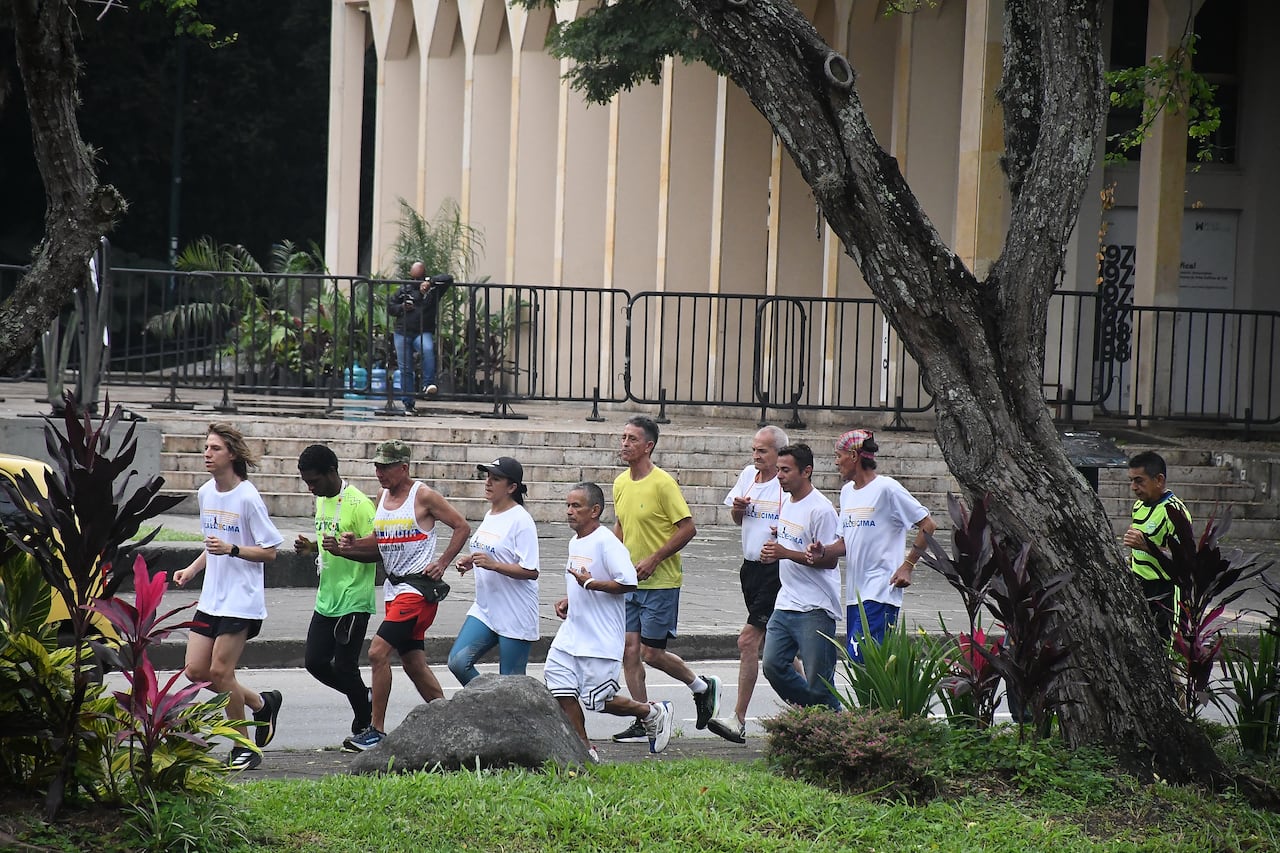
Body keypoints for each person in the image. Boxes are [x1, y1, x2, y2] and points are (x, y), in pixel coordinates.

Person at [330, 439, 471, 750]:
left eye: (386, 467)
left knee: (378, 652)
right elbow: (379, 544)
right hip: (394, 589)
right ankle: (450, 724)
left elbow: (461, 526)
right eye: (377, 466)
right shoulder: (381, 497)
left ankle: (376, 731)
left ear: (403, 467)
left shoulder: (424, 496)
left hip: (417, 590)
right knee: (413, 663)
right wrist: (350, 546)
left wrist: (443, 561)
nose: (379, 472)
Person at [174, 423, 285, 771]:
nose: (207, 454)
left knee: (221, 673)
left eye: (215, 448)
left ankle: (243, 746)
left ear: (232, 455)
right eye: (205, 448)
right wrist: (192, 570)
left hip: (242, 600)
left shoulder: (248, 497)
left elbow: (270, 553)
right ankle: (261, 704)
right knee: (195, 671)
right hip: (212, 598)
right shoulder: (207, 493)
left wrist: (233, 549)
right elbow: (212, 543)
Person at [609, 415, 720, 744]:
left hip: (661, 582)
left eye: (631, 439)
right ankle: (645, 717)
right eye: (623, 437)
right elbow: (621, 526)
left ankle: (701, 686)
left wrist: (655, 558)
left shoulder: (663, 483)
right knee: (629, 652)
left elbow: (688, 528)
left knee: (651, 654)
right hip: (630, 582)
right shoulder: (620, 483)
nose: (624, 443)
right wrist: (609, 560)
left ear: (648, 446)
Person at [546, 482, 674, 759]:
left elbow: (628, 582)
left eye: (576, 506)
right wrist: (569, 598)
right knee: (559, 687)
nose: (569, 511)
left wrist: (591, 585)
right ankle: (584, 748)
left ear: (595, 511)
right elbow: (582, 579)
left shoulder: (607, 542)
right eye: (568, 505)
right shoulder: (575, 541)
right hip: (572, 634)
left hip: (600, 638)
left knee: (600, 701)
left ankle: (652, 712)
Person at [810, 429, 936, 662]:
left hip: (881, 590)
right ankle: (878, 701)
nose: (836, 462)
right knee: (859, 662)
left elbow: (928, 525)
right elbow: (845, 543)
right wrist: (824, 551)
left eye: (839, 455)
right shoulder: (847, 492)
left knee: (865, 660)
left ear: (855, 456)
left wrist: (907, 566)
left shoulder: (887, 489)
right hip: (855, 594)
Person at [708, 425, 789, 743]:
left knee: (748, 642)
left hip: (776, 570)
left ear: (779, 452)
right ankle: (809, 707)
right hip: (750, 569)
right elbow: (737, 518)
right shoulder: (747, 475)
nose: (756, 455)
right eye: (754, 450)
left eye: (763, 450)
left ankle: (738, 719)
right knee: (778, 645)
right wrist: (737, 511)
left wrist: (780, 540)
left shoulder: (785, 484)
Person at [293, 444, 378, 745]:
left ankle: (367, 723)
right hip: (327, 597)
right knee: (315, 662)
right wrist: (312, 548)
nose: (310, 487)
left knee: (344, 665)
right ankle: (364, 696)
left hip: (354, 598)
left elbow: (380, 550)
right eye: (306, 482)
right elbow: (330, 543)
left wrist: (345, 549)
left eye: (314, 481)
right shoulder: (322, 501)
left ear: (332, 472)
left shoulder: (359, 504)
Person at [759, 443, 842, 708]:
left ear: (806, 471)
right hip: (786, 603)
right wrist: (775, 546)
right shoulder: (788, 501)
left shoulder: (821, 509)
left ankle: (830, 719)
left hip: (816, 607)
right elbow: (791, 543)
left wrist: (784, 552)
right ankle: (822, 712)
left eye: (785, 470)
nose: (779, 475)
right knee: (772, 665)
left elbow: (828, 561)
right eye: (778, 469)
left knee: (820, 681)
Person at [447, 456, 540, 684]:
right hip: (486, 609)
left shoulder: (521, 520)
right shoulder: (490, 514)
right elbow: (492, 551)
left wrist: (493, 565)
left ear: (511, 487)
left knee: (511, 684)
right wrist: (471, 560)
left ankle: (509, 715)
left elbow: (531, 571)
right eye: (487, 477)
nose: (488, 482)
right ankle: (488, 704)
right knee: (458, 662)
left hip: (514, 612)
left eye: (496, 479)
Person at [1123, 450, 1191, 640]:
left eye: (1139, 480)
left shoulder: (1175, 511)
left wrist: (1146, 546)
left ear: (1159, 480)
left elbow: (1185, 559)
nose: (1133, 487)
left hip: (1167, 591)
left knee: (1169, 652)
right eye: (1131, 480)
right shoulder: (1138, 506)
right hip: (1141, 588)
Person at [388, 262, 453, 413]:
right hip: (402, 332)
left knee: (428, 350)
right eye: (415, 277)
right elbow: (390, 307)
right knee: (405, 369)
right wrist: (402, 307)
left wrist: (429, 283)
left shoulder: (434, 289)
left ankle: (428, 384)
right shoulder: (404, 289)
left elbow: (449, 278)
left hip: (423, 331)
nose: (418, 282)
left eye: (420, 277)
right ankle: (408, 404)